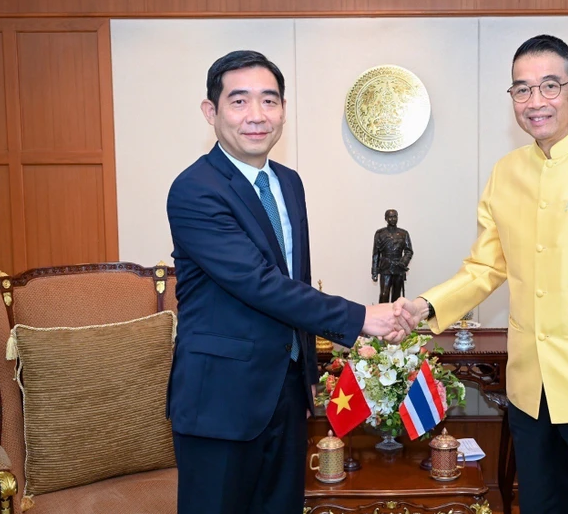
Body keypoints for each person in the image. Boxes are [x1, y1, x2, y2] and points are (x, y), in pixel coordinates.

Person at [398, 35, 568, 513]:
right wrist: (424, 306)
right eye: (522, 90)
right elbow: (487, 266)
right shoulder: (506, 173)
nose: (536, 102)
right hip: (532, 393)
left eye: (550, 86)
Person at [166, 50, 415, 514]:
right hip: (220, 402)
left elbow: (293, 281)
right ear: (211, 111)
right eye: (238, 102)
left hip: (284, 396)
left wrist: (304, 385)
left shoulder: (289, 182)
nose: (256, 116)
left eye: (269, 101)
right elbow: (259, 284)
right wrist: (361, 317)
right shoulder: (195, 189)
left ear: (283, 109)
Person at [372, 209, 414, 303]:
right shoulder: (380, 233)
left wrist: (403, 262)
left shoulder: (404, 233)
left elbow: (409, 251)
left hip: (398, 268)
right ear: (386, 218)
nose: (393, 219)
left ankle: (395, 315)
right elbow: (376, 254)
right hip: (385, 267)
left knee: (396, 295)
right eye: (390, 217)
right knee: (384, 294)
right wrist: (374, 272)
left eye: (395, 216)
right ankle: (382, 314)